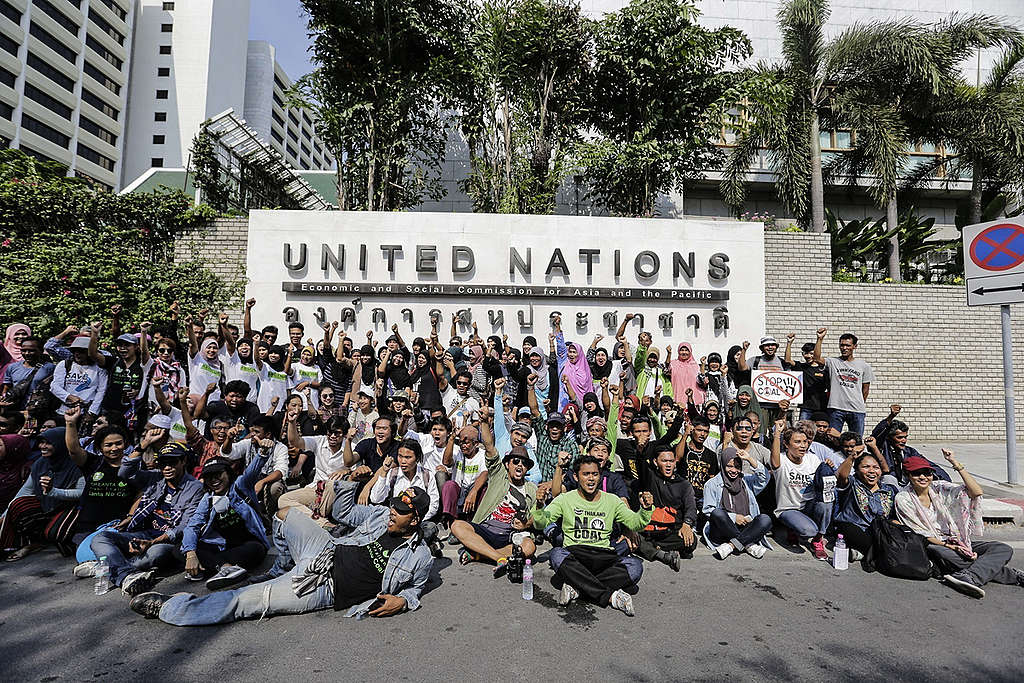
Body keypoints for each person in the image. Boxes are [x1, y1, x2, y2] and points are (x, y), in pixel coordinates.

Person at [132, 485, 434, 624]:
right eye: (395, 505)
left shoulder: (419, 556)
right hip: (325, 549)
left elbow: (414, 588)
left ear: (416, 519)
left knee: (247, 601)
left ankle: (170, 609)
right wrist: (348, 480)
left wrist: (403, 600)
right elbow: (344, 512)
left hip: (324, 586)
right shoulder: (382, 515)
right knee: (285, 512)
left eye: (402, 511)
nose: (394, 512)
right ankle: (283, 566)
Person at [533, 456, 653, 616]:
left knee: (635, 567)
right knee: (556, 555)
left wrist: (645, 509)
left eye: (595, 474)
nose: (591, 479)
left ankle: (577, 587)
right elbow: (541, 523)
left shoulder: (612, 500)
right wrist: (540, 505)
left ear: (600, 476)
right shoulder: (564, 499)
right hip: (575, 554)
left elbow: (634, 523)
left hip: (604, 556)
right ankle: (612, 596)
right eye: (586, 474)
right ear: (576, 477)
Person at [895, 451, 1024, 599]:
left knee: (1002, 548)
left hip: (957, 540)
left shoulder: (939, 488)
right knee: (951, 556)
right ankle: (1013, 575)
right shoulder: (903, 498)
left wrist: (955, 464)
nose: (923, 477)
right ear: (908, 475)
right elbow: (920, 533)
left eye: (927, 473)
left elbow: (976, 492)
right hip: (933, 544)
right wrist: (952, 547)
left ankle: (969, 575)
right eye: (917, 473)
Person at [89, 443, 205, 595]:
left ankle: (107, 565)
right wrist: (142, 445)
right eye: (163, 463)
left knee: (156, 553)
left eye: (172, 462)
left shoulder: (195, 487)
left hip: (166, 541)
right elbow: (124, 473)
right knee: (100, 538)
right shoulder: (155, 477)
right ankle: (126, 576)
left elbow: (185, 526)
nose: (167, 468)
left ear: (183, 461)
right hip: (143, 534)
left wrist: (152, 543)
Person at [451, 430, 538, 575]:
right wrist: (484, 422)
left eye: (524, 463)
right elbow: (489, 447)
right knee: (457, 525)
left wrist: (526, 524)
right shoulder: (499, 476)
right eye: (515, 461)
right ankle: (499, 558)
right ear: (507, 465)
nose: (519, 465)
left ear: (527, 469)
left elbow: (538, 517)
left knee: (529, 547)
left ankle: (478, 554)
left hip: (509, 536)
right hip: (485, 529)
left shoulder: (532, 489)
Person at [178, 456, 270, 591]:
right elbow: (193, 526)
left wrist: (262, 453)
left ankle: (210, 567)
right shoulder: (208, 499)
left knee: (255, 550)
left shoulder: (240, 487)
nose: (214, 480)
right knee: (180, 548)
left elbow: (251, 472)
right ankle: (225, 568)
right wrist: (191, 554)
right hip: (222, 546)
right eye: (209, 476)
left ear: (228, 473)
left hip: (248, 544)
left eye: (218, 474)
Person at [0, 428, 84, 561]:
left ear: (61, 444)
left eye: (48, 443)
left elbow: (80, 493)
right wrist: (5, 515)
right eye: (41, 442)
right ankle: (33, 542)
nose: (42, 446)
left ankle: (59, 539)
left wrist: (53, 491)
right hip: (47, 506)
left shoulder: (75, 464)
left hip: (71, 508)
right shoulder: (40, 463)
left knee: (55, 533)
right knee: (17, 504)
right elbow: (25, 491)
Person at [770, 419, 831, 560]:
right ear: (786, 444)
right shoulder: (781, 460)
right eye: (797, 442)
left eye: (805, 442)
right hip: (788, 509)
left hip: (809, 506)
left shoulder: (812, 459)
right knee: (808, 530)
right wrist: (777, 433)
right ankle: (794, 528)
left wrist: (828, 467)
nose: (803, 446)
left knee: (826, 501)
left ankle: (818, 540)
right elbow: (774, 461)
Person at [635, 446, 698, 571]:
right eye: (664, 461)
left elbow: (691, 508)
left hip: (671, 531)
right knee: (632, 537)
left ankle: (651, 549)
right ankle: (663, 555)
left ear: (675, 462)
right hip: (650, 529)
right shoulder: (651, 479)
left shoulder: (684, 484)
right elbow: (641, 468)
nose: (668, 465)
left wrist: (687, 525)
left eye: (671, 461)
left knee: (691, 542)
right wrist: (640, 452)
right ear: (655, 462)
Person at [702, 446, 771, 559]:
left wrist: (749, 459)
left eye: (737, 467)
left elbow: (764, 477)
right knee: (717, 513)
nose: (734, 470)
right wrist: (733, 517)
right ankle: (748, 544)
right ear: (723, 465)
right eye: (729, 466)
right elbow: (708, 511)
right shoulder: (712, 484)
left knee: (765, 519)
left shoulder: (746, 481)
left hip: (745, 527)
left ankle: (731, 545)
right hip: (722, 530)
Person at [833, 450, 898, 559]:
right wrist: (851, 458)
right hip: (856, 529)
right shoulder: (853, 484)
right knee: (847, 529)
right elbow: (841, 476)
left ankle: (864, 555)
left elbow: (893, 516)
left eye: (876, 467)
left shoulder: (889, 490)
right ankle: (879, 554)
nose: (872, 471)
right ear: (857, 470)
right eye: (866, 467)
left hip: (880, 532)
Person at [813, 328, 874, 435]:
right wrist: (819, 339)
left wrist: (859, 402)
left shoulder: (864, 366)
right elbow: (817, 358)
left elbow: (865, 389)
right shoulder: (833, 362)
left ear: (855, 346)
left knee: (856, 440)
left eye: (848, 345)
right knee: (832, 438)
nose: (844, 348)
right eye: (842, 345)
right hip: (836, 408)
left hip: (856, 409)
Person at [365, 438, 440, 521]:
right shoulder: (393, 474)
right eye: (400, 456)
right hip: (396, 521)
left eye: (408, 457)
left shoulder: (427, 475)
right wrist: (384, 472)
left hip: (420, 521)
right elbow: (376, 499)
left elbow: (434, 504)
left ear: (417, 458)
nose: (403, 461)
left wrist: (417, 520)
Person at [50, 335, 109, 418]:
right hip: (64, 411)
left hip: (86, 411)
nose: (77, 354)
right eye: (75, 351)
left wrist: (92, 412)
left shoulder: (99, 368)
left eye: (82, 351)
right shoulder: (65, 364)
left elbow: (101, 391)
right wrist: (69, 397)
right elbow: (55, 386)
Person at [1, 336, 54, 412]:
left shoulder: (50, 368)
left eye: (31, 351)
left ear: (41, 351)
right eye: (24, 350)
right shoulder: (12, 367)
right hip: (16, 411)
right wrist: (5, 399)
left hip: (39, 411)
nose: (27, 353)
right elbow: (6, 388)